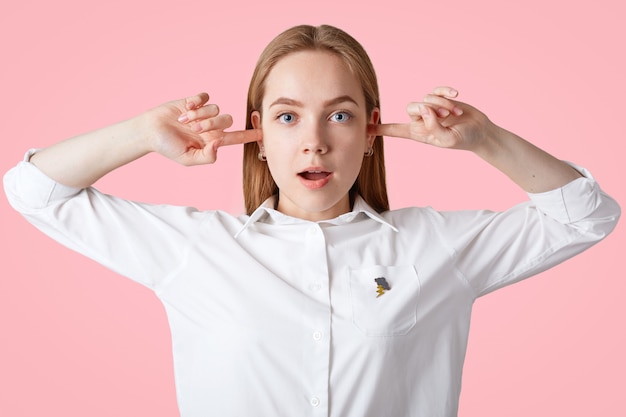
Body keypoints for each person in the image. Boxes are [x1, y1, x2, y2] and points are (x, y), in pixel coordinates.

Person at [3, 24, 620, 417]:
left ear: (373, 131)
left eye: (342, 116)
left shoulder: (436, 247)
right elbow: (34, 192)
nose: (316, 143)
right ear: (258, 134)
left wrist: (484, 139)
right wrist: (141, 133)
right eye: (289, 116)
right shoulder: (197, 250)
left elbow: (585, 217)